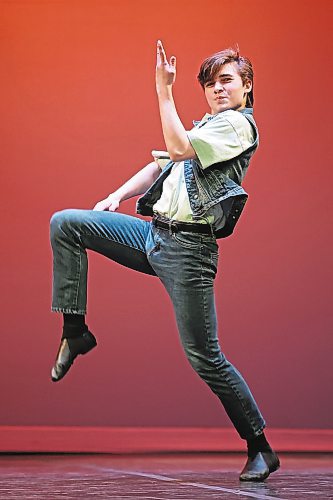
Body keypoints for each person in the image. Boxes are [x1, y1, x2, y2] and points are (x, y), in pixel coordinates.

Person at [50, 40, 280, 481]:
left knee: (205, 357)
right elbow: (160, 165)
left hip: (189, 252)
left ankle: (260, 447)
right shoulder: (206, 126)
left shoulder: (237, 127)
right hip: (154, 234)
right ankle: (75, 332)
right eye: (210, 84)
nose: (217, 89)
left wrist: (163, 91)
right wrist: (116, 195)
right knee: (67, 223)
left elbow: (177, 151)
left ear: (247, 87)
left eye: (226, 81)